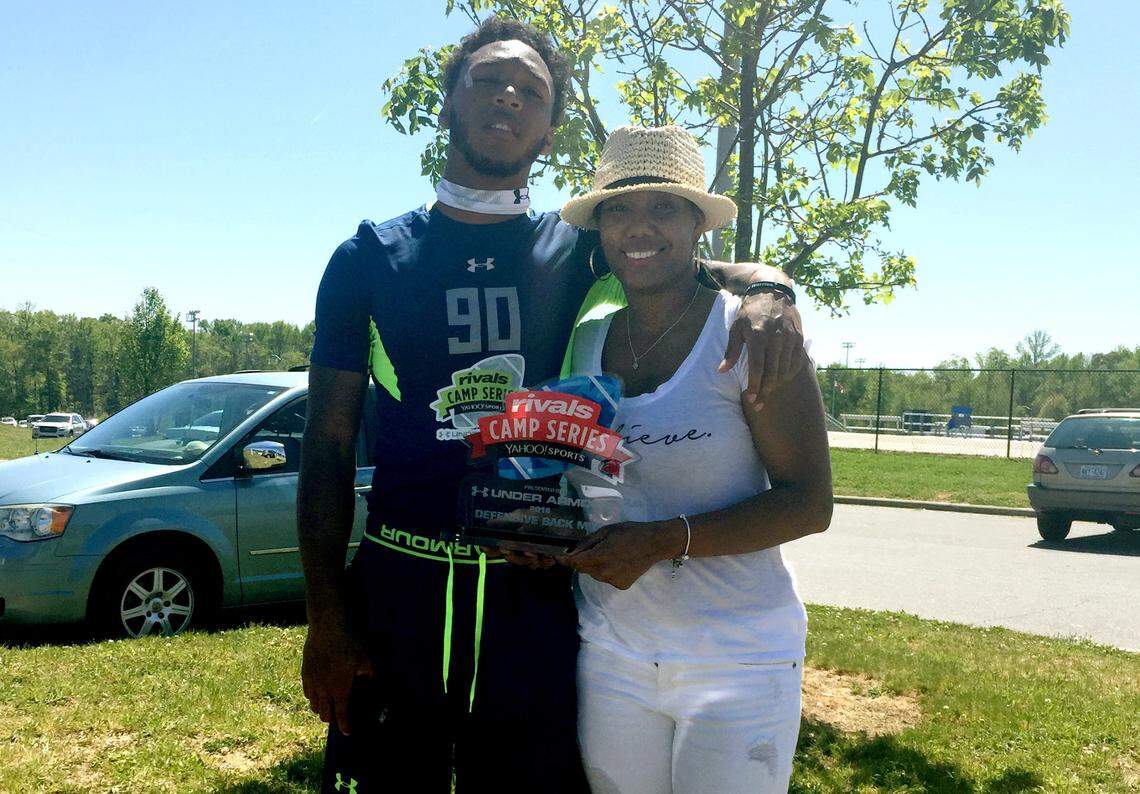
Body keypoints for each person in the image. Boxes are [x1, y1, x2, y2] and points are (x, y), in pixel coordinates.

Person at [298, 18, 810, 793]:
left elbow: (686, 264)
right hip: (398, 591)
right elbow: (328, 445)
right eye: (488, 79)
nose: (508, 96)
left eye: (531, 92)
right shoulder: (367, 256)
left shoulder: (576, 251)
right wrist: (326, 620)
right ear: (447, 101)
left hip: (532, 599)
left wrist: (772, 288)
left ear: (549, 130)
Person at [557, 125, 834, 793]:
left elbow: (809, 504)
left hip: (738, 657)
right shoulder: (585, 341)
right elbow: (588, 490)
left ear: (697, 225)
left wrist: (663, 541)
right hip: (613, 652)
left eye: (663, 207)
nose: (638, 227)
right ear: (600, 229)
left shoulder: (751, 334)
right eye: (619, 210)